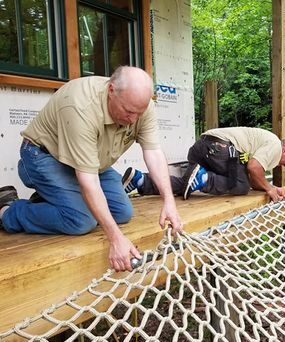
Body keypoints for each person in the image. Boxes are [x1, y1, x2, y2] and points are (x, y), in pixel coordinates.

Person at [0, 66, 182, 272]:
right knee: (81, 220)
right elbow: (88, 181)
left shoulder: (140, 106)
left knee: (122, 212)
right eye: (129, 112)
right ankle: (8, 210)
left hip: (90, 163)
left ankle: (54, 199)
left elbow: (153, 153)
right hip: (43, 157)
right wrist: (116, 239)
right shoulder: (81, 107)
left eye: (139, 113)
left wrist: (169, 201)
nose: (133, 120)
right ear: (111, 91)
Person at [122, 127, 285, 202]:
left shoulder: (261, 140)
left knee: (187, 185)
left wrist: (269, 186)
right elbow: (254, 167)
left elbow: (254, 178)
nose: (284, 165)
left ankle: (140, 181)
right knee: (240, 185)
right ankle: (204, 177)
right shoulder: (275, 144)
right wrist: (269, 189)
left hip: (201, 148)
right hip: (220, 149)